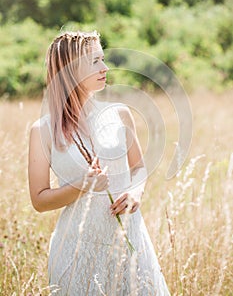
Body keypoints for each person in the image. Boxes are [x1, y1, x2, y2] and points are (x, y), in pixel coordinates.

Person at [28, 30, 170, 295]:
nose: (105, 67)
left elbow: (138, 168)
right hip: (76, 250)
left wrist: (135, 192)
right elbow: (39, 200)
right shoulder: (42, 130)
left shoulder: (120, 114)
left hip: (129, 239)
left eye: (102, 59)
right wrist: (81, 186)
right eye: (94, 62)